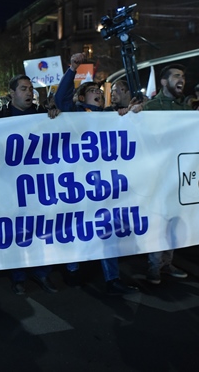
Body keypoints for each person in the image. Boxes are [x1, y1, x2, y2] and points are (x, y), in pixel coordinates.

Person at [53, 53, 139, 295]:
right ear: (82, 98)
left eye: (100, 92)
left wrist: (134, 110)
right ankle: (72, 269)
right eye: (93, 91)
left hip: (103, 187)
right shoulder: (73, 113)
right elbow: (60, 98)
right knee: (77, 229)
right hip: (78, 186)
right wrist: (72, 69)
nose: (99, 94)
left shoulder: (112, 116)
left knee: (107, 231)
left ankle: (112, 279)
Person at [0, 74, 60, 295]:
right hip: (10, 186)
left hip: (38, 183)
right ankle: (18, 276)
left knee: (41, 228)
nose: (29, 92)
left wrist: (57, 116)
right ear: (11, 93)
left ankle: (42, 272)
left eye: (30, 89)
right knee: (16, 230)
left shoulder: (43, 115)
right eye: (23, 89)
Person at [132, 64, 197, 284]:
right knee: (158, 221)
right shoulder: (150, 108)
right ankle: (154, 266)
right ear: (163, 82)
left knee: (173, 221)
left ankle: (166, 263)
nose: (182, 80)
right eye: (177, 76)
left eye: (183, 76)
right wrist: (131, 115)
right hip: (157, 176)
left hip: (180, 174)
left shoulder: (186, 108)